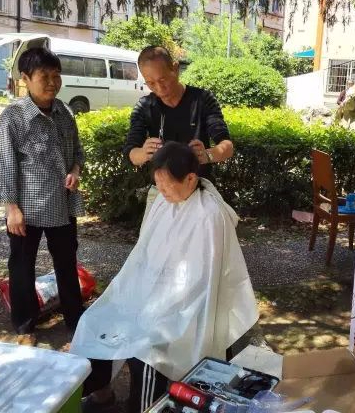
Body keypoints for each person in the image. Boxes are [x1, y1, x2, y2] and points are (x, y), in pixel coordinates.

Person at [71, 142, 259, 413]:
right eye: (157, 184)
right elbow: (145, 255)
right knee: (93, 321)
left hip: (186, 308)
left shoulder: (209, 216)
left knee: (146, 350)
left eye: (167, 185)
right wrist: (138, 295)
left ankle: (144, 408)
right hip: (154, 294)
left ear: (191, 178)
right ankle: (101, 394)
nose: (161, 191)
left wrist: (157, 307)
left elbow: (202, 282)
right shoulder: (163, 201)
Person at [0, 47, 85, 346]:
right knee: (21, 267)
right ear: (26, 78)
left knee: (66, 264)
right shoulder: (13, 117)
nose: (52, 83)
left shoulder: (65, 113)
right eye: (44, 76)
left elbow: (78, 152)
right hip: (25, 209)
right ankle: (25, 327)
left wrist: (75, 170)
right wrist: (11, 208)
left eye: (57, 76)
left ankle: (76, 323)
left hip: (62, 205)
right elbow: (3, 164)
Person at [123, 46, 234, 220]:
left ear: (175, 69)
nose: (159, 88)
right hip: (162, 193)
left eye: (163, 79)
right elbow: (130, 153)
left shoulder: (202, 100)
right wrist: (143, 153)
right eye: (150, 83)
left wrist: (208, 155)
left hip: (198, 192)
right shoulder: (145, 107)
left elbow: (227, 146)